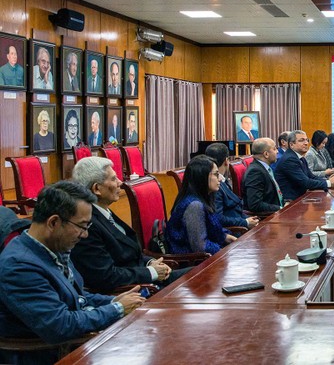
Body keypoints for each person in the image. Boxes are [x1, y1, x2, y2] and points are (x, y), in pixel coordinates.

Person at [0, 182, 145, 364]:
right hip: (47, 356)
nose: (85, 235)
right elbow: (60, 326)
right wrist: (116, 309)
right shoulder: (19, 266)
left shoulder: (53, 247)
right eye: (82, 226)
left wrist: (113, 301)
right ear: (53, 222)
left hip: (73, 347)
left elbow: (77, 297)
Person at [70, 157, 190, 293]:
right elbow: (105, 276)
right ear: (97, 188)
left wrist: (150, 262)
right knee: (200, 282)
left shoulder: (104, 211)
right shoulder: (87, 225)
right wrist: (151, 272)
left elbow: (128, 253)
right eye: (114, 179)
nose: (120, 182)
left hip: (144, 278)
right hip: (135, 291)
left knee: (202, 273)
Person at [166, 155, 236, 255]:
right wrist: (226, 254)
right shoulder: (194, 206)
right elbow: (200, 247)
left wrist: (227, 237)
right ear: (202, 177)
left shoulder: (204, 198)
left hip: (211, 256)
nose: (220, 179)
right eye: (216, 174)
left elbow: (212, 231)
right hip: (194, 263)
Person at [274, 130, 334, 201]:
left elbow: (311, 176)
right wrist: (329, 183)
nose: (306, 143)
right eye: (301, 140)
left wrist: (328, 180)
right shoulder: (289, 159)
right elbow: (306, 182)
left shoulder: (300, 157)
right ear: (291, 145)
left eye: (307, 140)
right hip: (291, 202)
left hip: (301, 198)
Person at [205, 143, 259, 230]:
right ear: (226, 161)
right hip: (235, 231)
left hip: (242, 222)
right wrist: (245, 222)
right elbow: (218, 218)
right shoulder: (214, 186)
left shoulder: (223, 180)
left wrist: (247, 219)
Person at [243, 138, 284, 215]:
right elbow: (255, 204)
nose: (277, 152)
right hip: (269, 218)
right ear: (266, 154)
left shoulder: (265, 167)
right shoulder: (255, 172)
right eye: (275, 149)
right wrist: (281, 209)